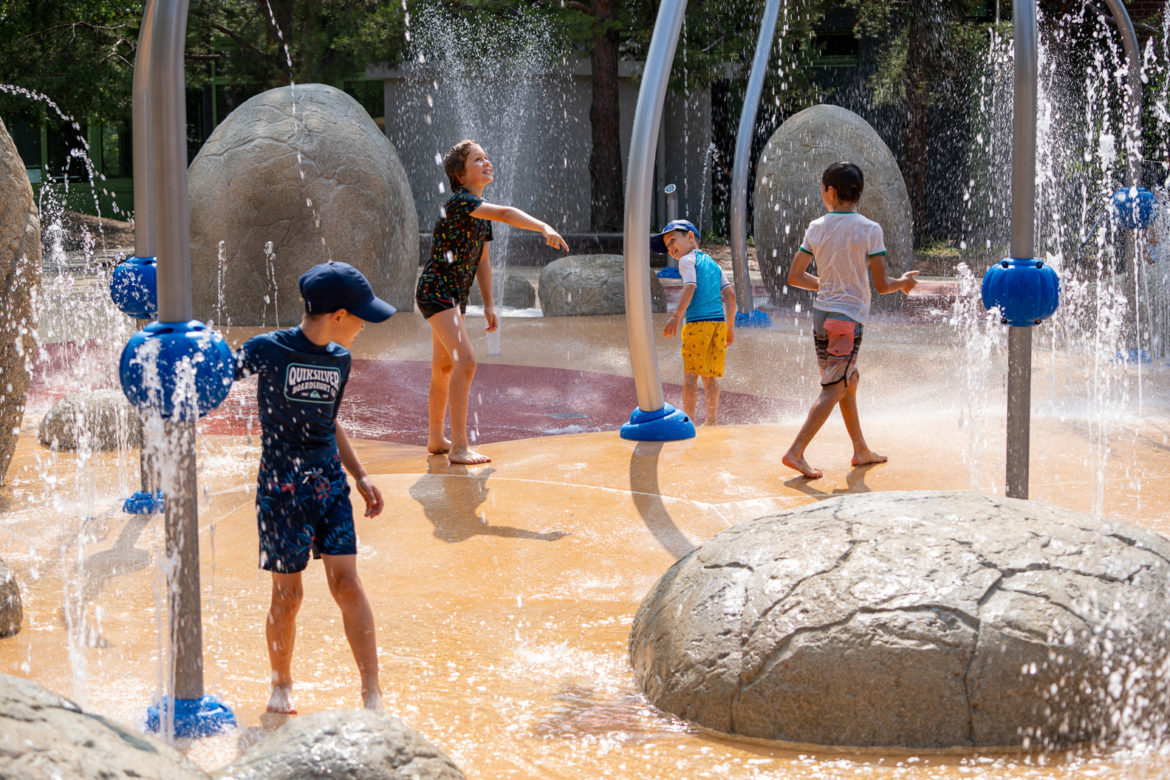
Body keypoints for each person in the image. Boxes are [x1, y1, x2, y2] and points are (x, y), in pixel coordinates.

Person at [235, 261, 395, 714]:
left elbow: (330, 420)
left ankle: (371, 692)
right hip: (281, 488)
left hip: (329, 484)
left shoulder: (339, 359)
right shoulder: (269, 349)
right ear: (338, 316)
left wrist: (360, 474)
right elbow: (212, 378)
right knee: (288, 595)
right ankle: (281, 682)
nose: (365, 326)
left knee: (347, 584)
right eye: (362, 316)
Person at [416, 139, 569, 464]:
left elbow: (482, 261)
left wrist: (488, 304)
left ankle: (435, 439)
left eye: (487, 157)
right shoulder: (460, 203)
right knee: (466, 362)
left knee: (443, 367)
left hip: (450, 296)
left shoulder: (479, 214)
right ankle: (458, 446)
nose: (486, 162)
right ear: (460, 175)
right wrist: (542, 226)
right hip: (436, 290)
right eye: (477, 159)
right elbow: (505, 212)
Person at [782, 162, 919, 479]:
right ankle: (796, 452)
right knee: (834, 388)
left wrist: (827, 285)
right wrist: (904, 283)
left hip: (821, 318)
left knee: (847, 382)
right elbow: (883, 285)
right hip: (847, 320)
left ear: (830, 191)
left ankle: (860, 449)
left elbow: (794, 276)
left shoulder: (817, 227)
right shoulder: (870, 229)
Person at [653, 218, 736, 425]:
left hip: (697, 325)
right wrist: (730, 327)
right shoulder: (714, 264)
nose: (671, 248)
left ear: (690, 237)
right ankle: (711, 421)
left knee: (691, 375)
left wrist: (675, 317)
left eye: (673, 240)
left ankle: (687, 421)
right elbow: (731, 295)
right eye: (667, 246)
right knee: (710, 377)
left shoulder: (686, 260)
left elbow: (690, 286)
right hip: (718, 324)